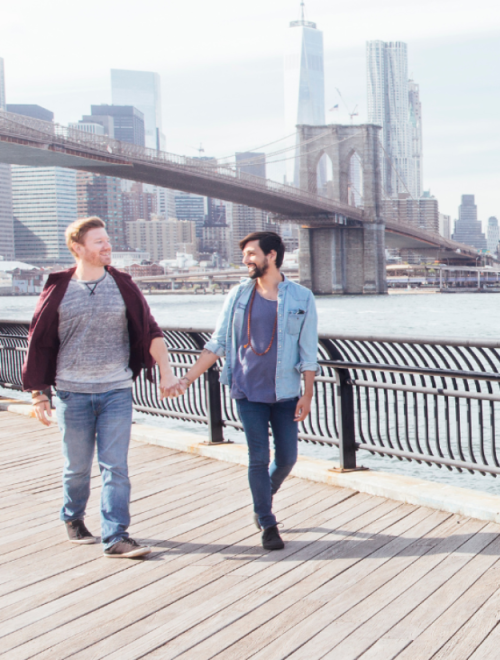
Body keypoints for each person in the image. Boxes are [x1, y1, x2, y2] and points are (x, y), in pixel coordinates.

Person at [23, 217, 180, 558]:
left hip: (116, 391)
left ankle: (116, 536)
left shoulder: (123, 284)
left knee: (115, 467)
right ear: (78, 248)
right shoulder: (59, 288)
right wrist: (39, 392)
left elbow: (151, 331)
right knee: (77, 467)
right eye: (99, 242)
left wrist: (166, 373)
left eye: (107, 240)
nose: (107, 246)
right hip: (72, 392)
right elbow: (40, 341)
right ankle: (73, 517)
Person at [170, 231, 318, 551]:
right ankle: (266, 521)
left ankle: (264, 494)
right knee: (258, 457)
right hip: (247, 390)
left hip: (286, 392)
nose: (246, 259)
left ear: (272, 256)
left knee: (288, 458)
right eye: (245, 255)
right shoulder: (238, 295)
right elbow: (218, 343)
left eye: (251, 253)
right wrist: (187, 379)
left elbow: (308, 352)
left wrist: (307, 395)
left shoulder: (301, 297)